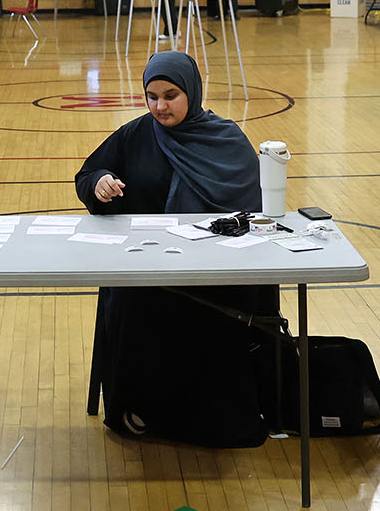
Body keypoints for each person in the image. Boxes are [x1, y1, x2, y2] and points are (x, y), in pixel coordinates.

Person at [74, 51, 276, 447]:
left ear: (193, 92)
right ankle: (142, 410)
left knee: (217, 312)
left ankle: (215, 417)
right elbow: (87, 174)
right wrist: (100, 183)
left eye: (170, 95)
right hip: (147, 264)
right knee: (141, 306)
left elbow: (251, 207)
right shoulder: (137, 134)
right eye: (151, 96)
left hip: (217, 266)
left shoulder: (227, 138)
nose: (159, 106)